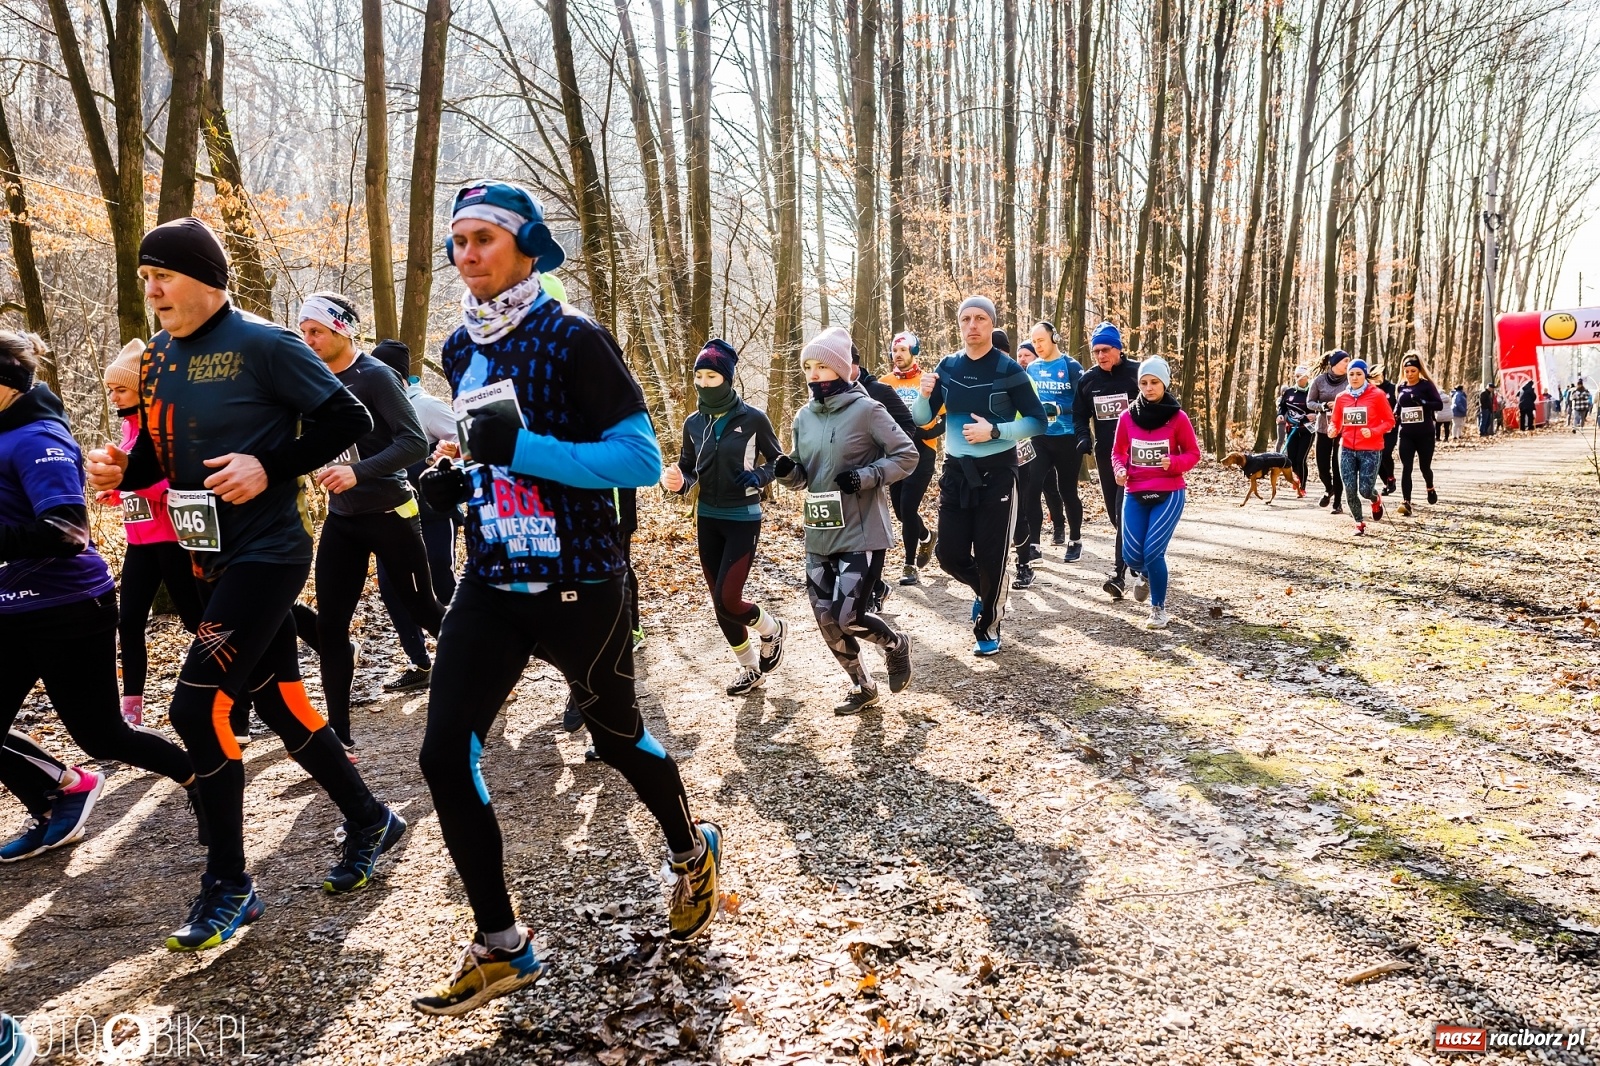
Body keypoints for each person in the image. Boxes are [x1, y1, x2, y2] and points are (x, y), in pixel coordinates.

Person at [410, 182, 721, 1015]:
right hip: (492, 578)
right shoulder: (457, 346)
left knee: (618, 741)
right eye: (458, 241)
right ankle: (501, 943)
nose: (466, 255)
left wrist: (529, 448)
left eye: (482, 239)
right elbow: (481, 451)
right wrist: (454, 483)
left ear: (524, 246)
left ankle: (692, 850)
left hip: (581, 579)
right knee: (443, 755)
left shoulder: (572, 335)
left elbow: (641, 460)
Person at [85, 217, 404, 950]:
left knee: (196, 712)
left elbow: (348, 418)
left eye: (163, 274)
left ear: (207, 278)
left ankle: (230, 883)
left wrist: (272, 465)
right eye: (145, 277)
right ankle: (369, 818)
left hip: (268, 554)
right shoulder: (159, 357)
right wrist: (121, 472)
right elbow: (165, 463)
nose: (153, 289)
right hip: (206, 559)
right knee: (283, 704)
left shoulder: (266, 344)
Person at [1, 330, 204, 864]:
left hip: (64, 609)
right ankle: (56, 795)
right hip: (10, 608)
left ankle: (201, 780)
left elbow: (68, 531)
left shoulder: (37, 438)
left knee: (103, 735)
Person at [286, 293, 445, 752]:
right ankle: (338, 735)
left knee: (424, 609)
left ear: (342, 330)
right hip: (344, 520)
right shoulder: (312, 381)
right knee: (332, 626)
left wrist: (358, 470)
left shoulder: (375, 377)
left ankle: (483, 671)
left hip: (391, 512)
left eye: (316, 331)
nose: (309, 340)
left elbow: (414, 442)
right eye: (304, 331)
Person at [775, 327, 916, 712]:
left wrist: (865, 476)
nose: (814, 373)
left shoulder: (868, 410)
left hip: (861, 532)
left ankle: (895, 644)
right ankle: (863, 686)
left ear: (840, 368)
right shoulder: (804, 417)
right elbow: (805, 474)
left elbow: (907, 455)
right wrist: (788, 472)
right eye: (808, 366)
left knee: (848, 615)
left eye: (822, 365)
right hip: (819, 535)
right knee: (826, 620)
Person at [913, 298, 1045, 654]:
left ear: (991, 324)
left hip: (998, 474)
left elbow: (1037, 421)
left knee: (991, 556)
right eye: (966, 319)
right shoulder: (949, 366)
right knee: (949, 554)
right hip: (956, 472)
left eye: (981, 319)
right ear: (960, 324)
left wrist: (996, 432)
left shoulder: (1008, 369)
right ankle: (986, 591)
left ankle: (988, 623)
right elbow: (922, 418)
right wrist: (924, 395)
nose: (973, 325)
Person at [660, 339, 786, 696]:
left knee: (731, 599)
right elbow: (688, 469)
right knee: (719, 602)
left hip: (743, 518)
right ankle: (750, 670)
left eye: (711, 375)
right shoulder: (693, 423)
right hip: (708, 518)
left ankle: (772, 629)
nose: (702, 382)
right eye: (698, 375)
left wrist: (760, 477)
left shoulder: (753, 419)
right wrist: (677, 481)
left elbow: (779, 461)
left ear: (727, 379)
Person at [98, 338, 205, 724]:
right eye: (110, 389)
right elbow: (136, 483)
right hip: (139, 542)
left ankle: (234, 691)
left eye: (120, 389)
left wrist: (128, 482)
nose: (113, 396)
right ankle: (132, 711)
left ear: (142, 388)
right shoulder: (127, 431)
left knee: (197, 621)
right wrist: (115, 491)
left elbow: (174, 486)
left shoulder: (163, 428)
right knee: (127, 623)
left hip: (174, 540)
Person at [370, 338, 460, 693]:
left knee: (440, 578)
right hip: (389, 512)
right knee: (393, 589)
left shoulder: (425, 406)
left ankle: (469, 650)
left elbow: (468, 439)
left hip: (434, 511)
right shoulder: (372, 406)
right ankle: (419, 662)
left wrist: (446, 453)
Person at [1110, 356, 1199, 628]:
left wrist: (1174, 462)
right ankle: (1146, 576)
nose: (1149, 388)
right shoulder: (1127, 417)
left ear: (1165, 384)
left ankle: (1158, 609)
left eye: (1154, 382)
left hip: (1169, 492)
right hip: (1135, 490)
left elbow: (1194, 454)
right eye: (1144, 383)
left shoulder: (1178, 417)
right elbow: (1118, 452)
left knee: (1153, 552)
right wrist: (1119, 469)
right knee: (1131, 556)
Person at [1073, 322, 1141, 597]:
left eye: (1105, 350)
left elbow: (1160, 401)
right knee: (1115, 516)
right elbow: (1078, 414)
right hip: (1106, 454)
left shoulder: (1138, 374)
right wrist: (1083, 437)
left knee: (1124, 510)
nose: (1100, 356)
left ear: (1119, 349)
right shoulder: (1088, 380)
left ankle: (1118, 574)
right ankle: (1136, 557)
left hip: (1136, 455)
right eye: (1095, 351)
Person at [884, 332, 942, 585]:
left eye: (903, 350)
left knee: (908, 507)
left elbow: (947, 417)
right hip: (894, 452)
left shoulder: (928, 381)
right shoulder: (883, 383)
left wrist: (927, 432)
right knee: (900, 511)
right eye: (895, 351)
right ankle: (927, 536)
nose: (898, 355)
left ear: (913, 352)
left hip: (922, 451)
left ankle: (909, 566)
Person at [1026, 322, 1086, 560]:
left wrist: (1060, 408)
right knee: (1032, 488)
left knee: (1067, 490)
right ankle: (1034, 545)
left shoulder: (1071, 366)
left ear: (1054, 338)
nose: (1037, 345)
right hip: (1040, 436)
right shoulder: (1031, 368)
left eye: (1041, 340)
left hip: (1067, 437)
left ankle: (1075, 540)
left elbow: (1083, 403)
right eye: (1034, 341)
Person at [1329, 358, 1396, 536]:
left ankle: (1375, 499)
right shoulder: (1341, 398)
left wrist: (1373, 431)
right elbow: (1335, 421)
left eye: (1359, 374)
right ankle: (1359, 522)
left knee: (1365, 490)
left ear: (1365, 375)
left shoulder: (1377, 395)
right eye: (1351, 374)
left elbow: (1390, 421)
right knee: (1349, 488)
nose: (1355, 377)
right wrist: (1332, 429)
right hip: (1347, 448)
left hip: (1371, 449)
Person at [1393, 352, 1444, 515]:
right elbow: (1399, 406)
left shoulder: (1426, 385)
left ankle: (1430, 487)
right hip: (1406, 433)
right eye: (1406, 371)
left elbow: (1439, 405)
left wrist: (1423, 403)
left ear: (1419, 370)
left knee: (1424, 467)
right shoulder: (1400, 386)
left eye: (1413, 371)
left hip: (1425, 434)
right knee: (1406, 467)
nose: (1409, 374)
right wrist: (1395, 414)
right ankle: (1406, 502)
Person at [1306, 349, 1350, 513]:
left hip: (1342, 429)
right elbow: (1310, 402)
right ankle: (1329, 487)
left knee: (1337, 465)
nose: (1348, 364)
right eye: (1345, 361)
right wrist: (1324, 406)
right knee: (1322, 466)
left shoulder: (1350, 380)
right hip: (1323, 428)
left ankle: (1337, 502)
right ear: (1335, 363)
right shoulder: (1319, 381)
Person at [1278, 366, 1313, 497]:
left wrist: (1315, 415)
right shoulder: (1289, 392)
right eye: (1296, 375)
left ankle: (1302, 486)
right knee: (1291, 459)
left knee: (1301, 459)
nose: (1298, 378)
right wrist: (1280, 415)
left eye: (1301, 375)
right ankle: (1297, 477)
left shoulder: (1312, 392)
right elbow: (1282, 407)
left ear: (1307, 377)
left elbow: (1319, 407)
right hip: (1291, 429)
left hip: (1307, 430)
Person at [1370, 364, 1399, 494]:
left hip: (1391, 427)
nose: (1375, 378)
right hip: (1376, 428)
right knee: (1377, 457)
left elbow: (1400, 404)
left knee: (1385, 453)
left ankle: (1391, 477)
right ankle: (1387, 482)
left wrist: (1396, 414)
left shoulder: (1393, 389)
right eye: (1372, 377)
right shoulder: (1370, 390)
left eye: (1377, 375)